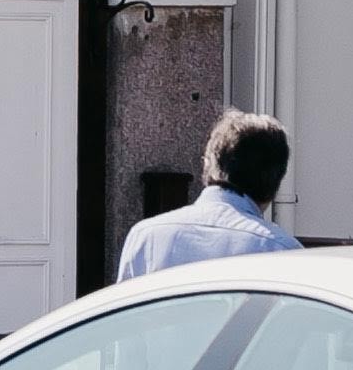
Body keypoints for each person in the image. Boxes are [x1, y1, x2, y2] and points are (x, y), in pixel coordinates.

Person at [117, 112, 301, 278]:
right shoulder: (281, 251)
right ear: (277, 182)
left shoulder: (145, 236)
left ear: (208, 165)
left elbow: (122, 314)